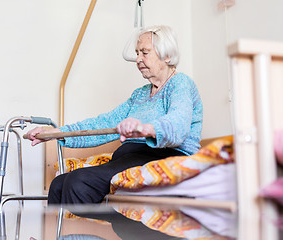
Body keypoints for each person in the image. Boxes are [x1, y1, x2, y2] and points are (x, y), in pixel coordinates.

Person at [25, 25, 203, 204]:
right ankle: (58, 233)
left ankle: (78, 232)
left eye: (144, 52)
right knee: (58, 184)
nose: (138, 59)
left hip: (164, 156)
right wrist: (57, 133)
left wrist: (146, 129)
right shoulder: (140, 94)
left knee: (79, 183)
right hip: (130, 158)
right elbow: (105, 123)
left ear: (167, 56)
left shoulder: (180, 83)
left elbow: (178, 123)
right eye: (137, 53)